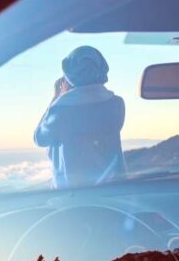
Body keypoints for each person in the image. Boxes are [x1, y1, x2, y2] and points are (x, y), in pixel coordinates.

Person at [34, 46, 126, 188]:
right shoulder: (116, 103)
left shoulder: (61, 109)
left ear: (70, 75)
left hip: (73, 193)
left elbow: (40, 138)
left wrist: (56, 97)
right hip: (113, 188)